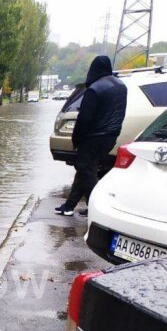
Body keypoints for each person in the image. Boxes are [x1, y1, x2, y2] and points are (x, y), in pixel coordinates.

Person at [55, 56, 127, 216]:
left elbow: (84, 119)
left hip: (93, 137)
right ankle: (69, 206)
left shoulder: (94, 89)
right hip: (111, 136)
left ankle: (98, 208)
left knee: (86, 170)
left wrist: (76, 139)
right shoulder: (121, 86)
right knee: (86, 169)